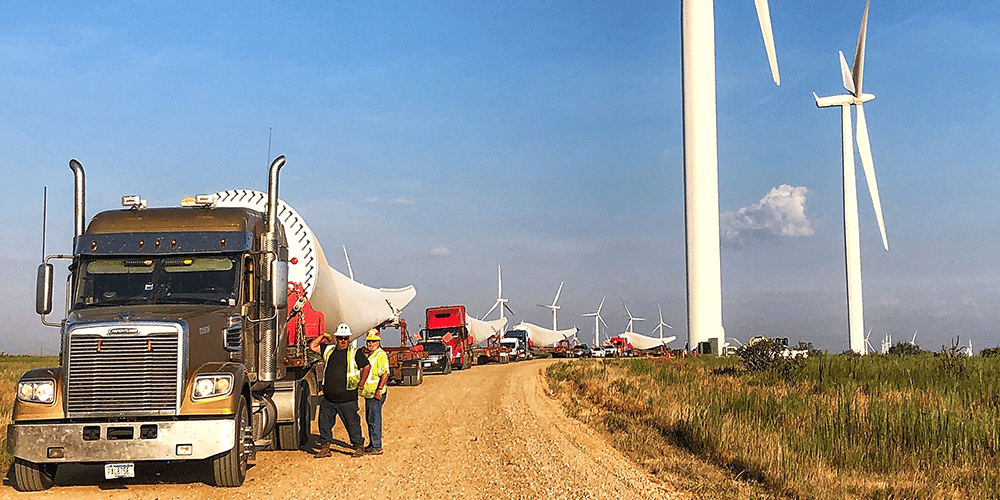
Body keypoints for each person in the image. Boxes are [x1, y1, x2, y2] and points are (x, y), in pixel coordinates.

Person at [309, 323, 371, 458]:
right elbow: (313, 346)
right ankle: (325, 447)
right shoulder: (328, 350)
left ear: (349, 339)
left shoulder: (354, 353)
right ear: (336, 338)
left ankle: (358, 446)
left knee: (352, 424)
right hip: (329, 398)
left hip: (347, 398)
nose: (343, 341)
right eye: (340, 338)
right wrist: (323, 335)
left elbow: (367, 366)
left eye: (345, 338)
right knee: (324, 424)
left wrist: (362, 382)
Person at [360, 329, 390, 455]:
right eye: (369, 341)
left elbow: (385, 374)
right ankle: (372, 443)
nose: (370, 344)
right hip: (369, 393)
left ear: (378, 342)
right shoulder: (371, 355)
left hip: (375, 393)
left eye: (373, 341)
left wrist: (379, 389)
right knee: (370, 419)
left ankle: (376, 445)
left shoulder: (380, 355)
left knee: (374, 419)